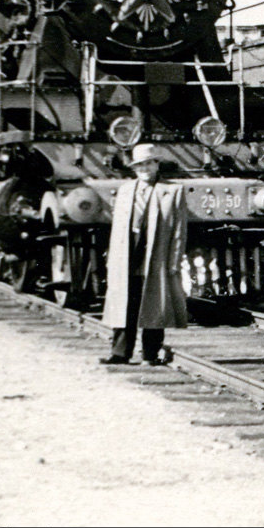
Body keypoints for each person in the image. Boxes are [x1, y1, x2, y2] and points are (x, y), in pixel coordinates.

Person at [104, 143, 188, 364]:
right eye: (139, 164)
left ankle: (150, 354)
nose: (144, 168)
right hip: (127, 252)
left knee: (154, 304)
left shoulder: (173, 191)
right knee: (125, 302)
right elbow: (116, 229)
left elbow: (179, 230)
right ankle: (120, 353)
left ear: (156, 164)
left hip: (156, 253)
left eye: (148, 163)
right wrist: (113, 259)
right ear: (134, 168)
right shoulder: (124, 191)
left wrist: (174, 261)